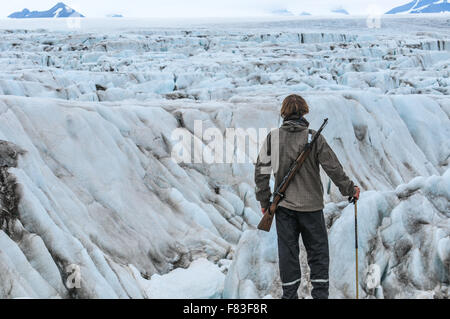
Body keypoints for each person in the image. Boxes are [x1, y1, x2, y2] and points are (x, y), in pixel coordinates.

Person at [254, 94, 360, 299]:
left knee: (288, 255)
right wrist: (349, 189)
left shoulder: (273, 138)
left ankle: (290, 296)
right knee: (318, 255)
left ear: (284, 113)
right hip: (311, 209)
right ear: (304, 112)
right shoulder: (314, 137)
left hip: (284, 209)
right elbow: (333, 168)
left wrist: (265, 202)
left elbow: (261, 172)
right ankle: (320, 296)